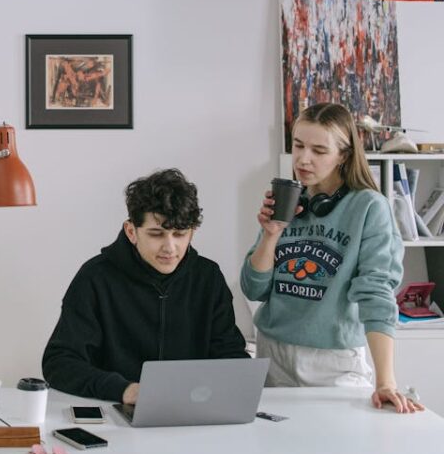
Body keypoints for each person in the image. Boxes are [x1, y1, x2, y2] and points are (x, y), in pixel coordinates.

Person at [240, 102, 424, 413]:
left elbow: (376, 293)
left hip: (333, 362)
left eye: (319, 150)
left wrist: (385, 382)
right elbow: (253, 289)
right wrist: (271, 234)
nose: (303, 158)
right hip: (272, 355)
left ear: (344, 155)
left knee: (341, 452)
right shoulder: (288, 200)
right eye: (298, 145)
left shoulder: (368, 207)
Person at [42, 168, 249, 404]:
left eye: (180, 234)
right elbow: (59, 363)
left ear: (192, 232)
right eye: (156, 234)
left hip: (193, 414)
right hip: (115, 412)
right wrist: (124, 390)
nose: (170, 248)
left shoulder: (208, 277)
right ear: (131, 231)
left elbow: (231, 356)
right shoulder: (95, 278)